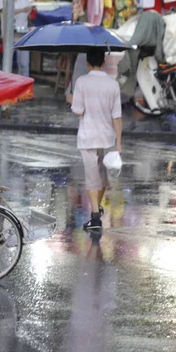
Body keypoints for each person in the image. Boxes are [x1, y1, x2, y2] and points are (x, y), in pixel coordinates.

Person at [71, 48, 123, 230]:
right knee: (101, 178)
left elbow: (78, 111)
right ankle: (96, 210)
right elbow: (117, 116)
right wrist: (118, 143)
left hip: (88, 137)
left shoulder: (81, 82)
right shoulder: (112, 84)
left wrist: (73, 100)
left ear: (87, 62)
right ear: (103, 62)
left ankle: (95, 217)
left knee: (92, 179)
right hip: (107, 138)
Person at [0, 0, 33, 76]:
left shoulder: (25, 0)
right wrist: (22, 10)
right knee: (7, 64)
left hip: (23, 35)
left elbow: (29, 17)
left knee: (24, 64)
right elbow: (5, 12)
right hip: (8, 36)